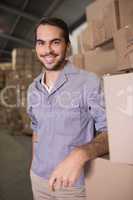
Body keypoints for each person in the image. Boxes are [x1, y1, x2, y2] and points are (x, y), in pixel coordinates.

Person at [27, 17, 108, 200]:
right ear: (36, 47)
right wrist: (33, 166)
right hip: (38, 180)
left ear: (67, 46)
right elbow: (36, 129)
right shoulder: (33, 88)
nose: (47, 50)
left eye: (55, 42)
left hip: (72, 185)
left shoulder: (89, 82)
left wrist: (81, 154)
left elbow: (111, 131)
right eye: (41, 43)